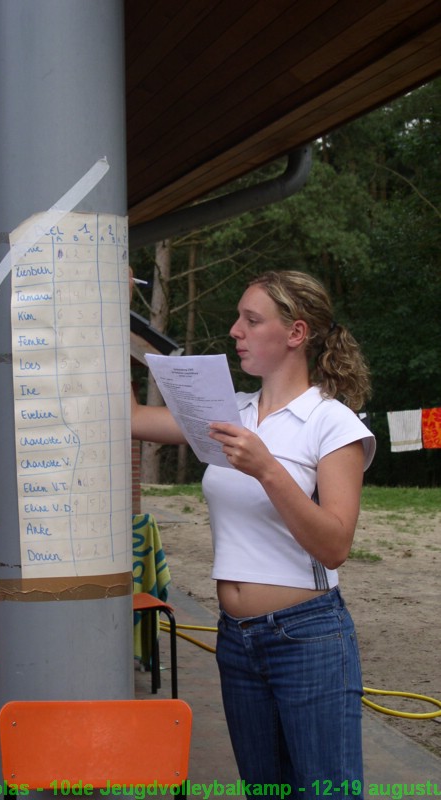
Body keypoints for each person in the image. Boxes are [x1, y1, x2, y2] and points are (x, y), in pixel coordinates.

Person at [131, 270, 375, 798]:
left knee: (325, 793)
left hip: (307, 637)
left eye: (251, 319)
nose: (235, 330)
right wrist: (111, 307)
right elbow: (129, 416)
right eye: (238, 318)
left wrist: (267, 468)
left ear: (296, 333)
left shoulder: (332, 423)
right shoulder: (230, 413)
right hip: (236, 640)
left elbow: (335, 544)